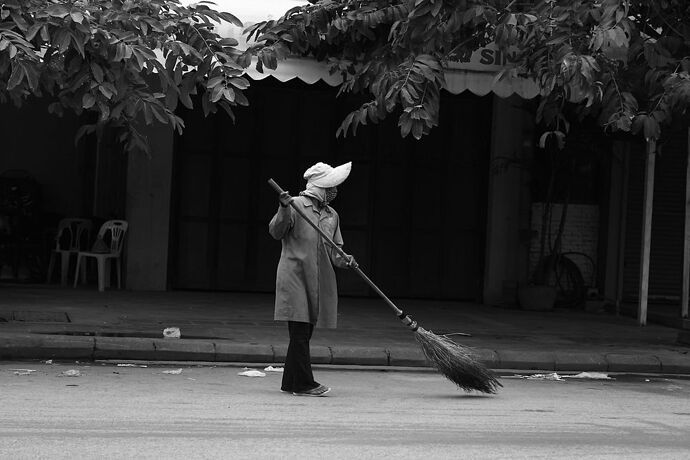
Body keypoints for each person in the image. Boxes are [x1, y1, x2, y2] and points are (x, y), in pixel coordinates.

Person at [269, 161, 358, 397]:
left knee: (304, 332)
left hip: (317, 280)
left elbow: (334, 251)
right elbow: (276, 232)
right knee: (299, 332)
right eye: (331, 187)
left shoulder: (332, 215)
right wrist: (283, 207)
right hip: (294, 276)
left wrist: (346, 259)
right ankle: (304, 383)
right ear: (320, 187)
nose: (334, 191)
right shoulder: (296, 205)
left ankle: (291, 382)